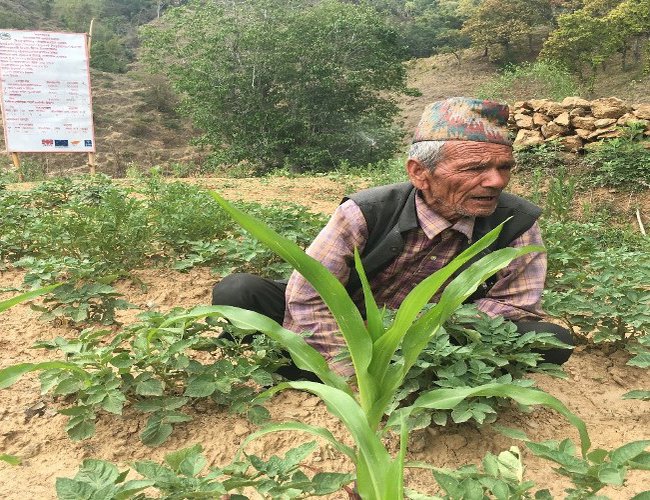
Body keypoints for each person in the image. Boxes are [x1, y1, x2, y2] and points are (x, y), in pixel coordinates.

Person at [212, 97, 574, 379]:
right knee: (239, 293)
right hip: (346, 320)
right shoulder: (367, 211)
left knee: (551, 340)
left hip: (435, 335)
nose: (495, 181)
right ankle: (297, 370)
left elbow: (514, 304)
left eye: (503, 168)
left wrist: (417, 333)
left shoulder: (516, 222)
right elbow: (309, 295)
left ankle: (422, 375)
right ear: (420, 173)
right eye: (475, 168)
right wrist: (353, 372)